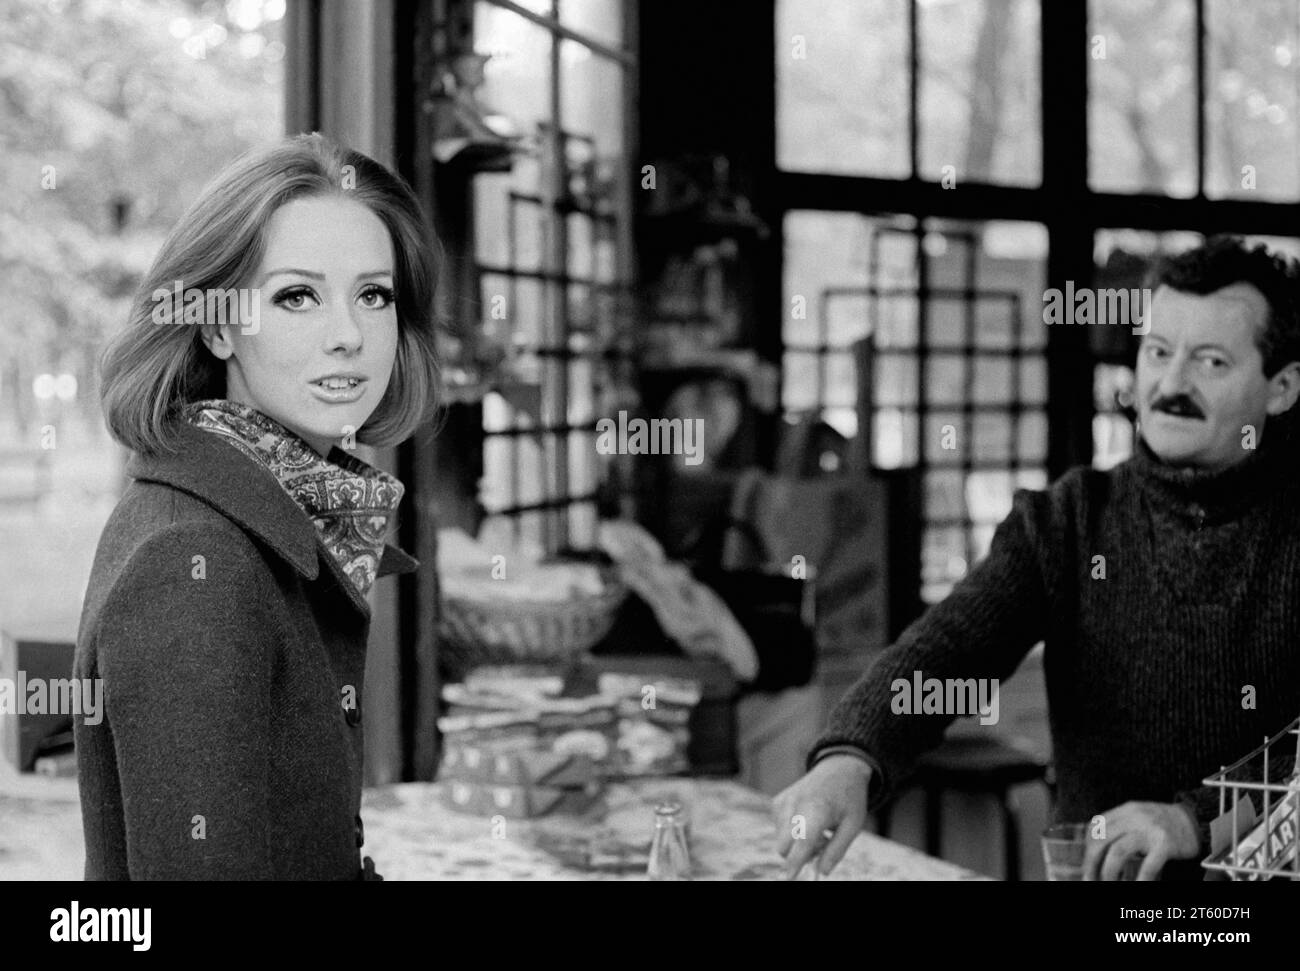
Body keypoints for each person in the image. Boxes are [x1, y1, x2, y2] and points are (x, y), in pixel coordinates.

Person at [775, 235, 1300, 881]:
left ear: (1281, 388)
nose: (1169, 383)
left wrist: (1200, 817)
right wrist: (850, 757)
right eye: (1158, 351)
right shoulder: (1069, 519)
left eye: (1211, 362)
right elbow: (949, 651)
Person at [74, 132, 440, 880]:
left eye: (374, 294)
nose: (350, 336)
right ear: (215, 324)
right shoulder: (193, 560)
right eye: (297, 295)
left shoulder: (280, 506)